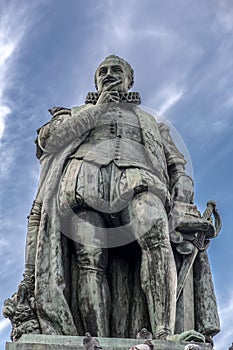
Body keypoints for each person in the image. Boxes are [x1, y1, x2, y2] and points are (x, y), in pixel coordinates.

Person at [4, 55, 220, 342]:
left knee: (155, 233)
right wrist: (98, 108)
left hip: (140, 179)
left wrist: (182, 181)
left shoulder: (152, 122)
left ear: (129, 79)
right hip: (83, 181)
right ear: (96, 80)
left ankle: (164, 333)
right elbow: (48, 140)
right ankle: (95, 339)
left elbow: (176, 165)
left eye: (116, 70)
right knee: (89, 258)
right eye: (102, 71)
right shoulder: (75, 112)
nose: (109, 74)